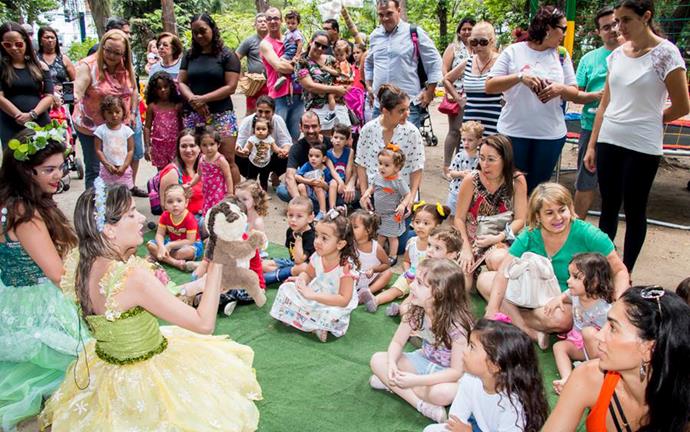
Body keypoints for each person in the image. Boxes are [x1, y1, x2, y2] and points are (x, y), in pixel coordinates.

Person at [39, 184, 262, 430]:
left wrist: (196, 286)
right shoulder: (132, 276)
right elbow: (204, 324)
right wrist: (218, 258)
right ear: (109, 230)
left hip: (107, 369)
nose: (143, 218)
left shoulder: (82, 262)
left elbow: (141, 300)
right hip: (143, 377)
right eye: (132, 214)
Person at [584, 0, 690, 272]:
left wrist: (653, 119)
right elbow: (605, 103)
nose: (620, 27)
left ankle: (626, 271)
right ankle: (604, 268)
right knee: (608, 206)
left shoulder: (667, 53)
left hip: (643, 143)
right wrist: (592, 144)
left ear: (646, 17)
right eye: (617, 21)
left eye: (626, 20)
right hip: (609, 138)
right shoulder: (617, 55)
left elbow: (681, 104)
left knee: (634, 208)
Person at [0, 126, 88, 430]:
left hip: (11, 298)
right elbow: (56, 273)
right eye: (48, 169)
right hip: (34, 306)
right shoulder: (24, 212)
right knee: (80, 362)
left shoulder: (12, 204)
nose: (58, 175)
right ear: (26, 171)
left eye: (61, 166)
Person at [482, 183, 629, 347]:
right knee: (484, 281)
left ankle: (512, 315)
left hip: (565, 297)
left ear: (570, 208)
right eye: (549, 213)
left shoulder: (588, 234)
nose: (558, 218)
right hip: (534, 289)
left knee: (561, 320)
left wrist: (618, 304)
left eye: (562, 210)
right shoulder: (531, 234)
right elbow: (504, 270)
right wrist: (492, 310)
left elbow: (620, 271)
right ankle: (529, 330)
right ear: (538, 216)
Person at [543, 286, 690, 431]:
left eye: (613, 328)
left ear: (649, 349)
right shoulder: (588, 377)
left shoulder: (683, 405)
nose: (598, 335)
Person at [485, 6, 578, 193]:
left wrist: (560, 89)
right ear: (548, 28)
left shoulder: (561, 54)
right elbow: (490, 85)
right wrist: (520, 77)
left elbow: (573, 90)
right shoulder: (513, 51)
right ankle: (512, 222)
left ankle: (532, 223)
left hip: (549, 135)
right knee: (511, 188)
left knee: (538, 191)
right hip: (513, 133)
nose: (565, 34)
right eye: (563, 28)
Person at [369, 258, 473, 423]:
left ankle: (393, 385)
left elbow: (456, 371)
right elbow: (397, 342)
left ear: (439, 293)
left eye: (419, 283)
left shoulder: (457, 326)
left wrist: (415, 380)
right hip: (423, 360)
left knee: (441, 394)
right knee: (377, 360)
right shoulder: (415, 311)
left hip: (448, 374)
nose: (411, 286)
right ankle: (421, 405)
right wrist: (393, 364)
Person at [424, 319, 549, 432]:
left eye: (472, 347)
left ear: (494, 365)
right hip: (477, 427)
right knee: (431, 430)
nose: (464, 351)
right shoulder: (469, 379)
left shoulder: (512, 406)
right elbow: (456, 420)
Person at [270, 207, 360, 342]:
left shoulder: (346, 267)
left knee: (332, 315)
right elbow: (308, 274)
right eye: (317, 235)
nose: (317, 241)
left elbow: (343, 300)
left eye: (324, 238)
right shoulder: (317, 256)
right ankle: (311, 324)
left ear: (340, 244)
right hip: (314, 293)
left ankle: (303, 320)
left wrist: (312, 295)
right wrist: (301, 280)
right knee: (285, 288)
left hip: (333, 303)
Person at [453, 134, 528, 288]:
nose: (484, 164)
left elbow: (521, 220)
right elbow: (459, 218)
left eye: (491, 159)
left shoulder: (517, 181)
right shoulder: (471, 180)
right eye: (481, 158)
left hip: (502, 237)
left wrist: (498, 238)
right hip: (472, 239)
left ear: (505, 160)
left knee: (498, 259)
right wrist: (466, 247)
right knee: (461, 274)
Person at [356, 84, 425, 251]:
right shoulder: (368, 130)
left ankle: (419, 229)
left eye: (408, 109)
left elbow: (417, 169)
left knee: (400, 247)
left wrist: (409, 201)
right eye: (401, 110)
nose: (407, 114)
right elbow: (361, 164)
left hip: (401, 196)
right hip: (376, 194)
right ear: (385, 111)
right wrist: (364, 195)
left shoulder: (412, 132)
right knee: (366, 241)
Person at [569, 7, 621, 219]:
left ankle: (607, 237)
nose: (613, 30)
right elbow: (576, 95)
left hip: (620, 130)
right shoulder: (589, 59)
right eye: (607, 27)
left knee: (615, 186)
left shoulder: (634, 54)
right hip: (591, 127)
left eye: (616, 24)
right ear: (598, 32)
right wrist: (596, 95)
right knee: (586, 181)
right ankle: (573, 230)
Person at [179, 13, 241, 190]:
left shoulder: (227, 55)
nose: (199, 36)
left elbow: (231, 87)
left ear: (212, 29)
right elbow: (181, 81)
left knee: (227, 159)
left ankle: (235, 198)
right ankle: (200, 197)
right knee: (195, 159)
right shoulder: (190, 55)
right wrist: (193, 99)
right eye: (195, 32)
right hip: (193, 113)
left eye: (203, 31)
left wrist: (203, 99)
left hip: (222, 114)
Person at [73, 29, 137, 189]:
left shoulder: (126, 66)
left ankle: (116, 207)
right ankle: (93, 208)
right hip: (91, 126)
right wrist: (74, 96)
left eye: (117, 53)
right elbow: (78, 89)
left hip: (117, 126)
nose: (111, 55)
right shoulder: (88, 65)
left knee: (119, 165)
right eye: (107, 50)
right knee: (95, 169)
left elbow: (134, 89)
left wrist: (133, 112)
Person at [365, 0, 442, 129]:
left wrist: (430, 91)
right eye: (381, 14)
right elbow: (369, 63)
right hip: (380, 106)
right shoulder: (374, 36)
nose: (385, 18)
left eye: (389, 13)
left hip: (407, 105)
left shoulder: (414, 33)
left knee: (406, 147)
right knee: (378, 147)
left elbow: (434, 61)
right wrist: (369, 87)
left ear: (399, 11)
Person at [546, 252, 615, 394]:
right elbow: (566, 294)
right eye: (570, 275)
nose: (569, 281)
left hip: (596, 348)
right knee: (559, 347)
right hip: (578, 344)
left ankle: (597, 373)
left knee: (588, 332)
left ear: (594, 281)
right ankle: (567, 378)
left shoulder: (604, 309)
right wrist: (558, 298)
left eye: (576, 277)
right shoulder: (576, 294)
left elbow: (612, 333)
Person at [372, 202, 452, 314]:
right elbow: (406, 261)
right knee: (395, 290)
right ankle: (375, 300)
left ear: (437, 226)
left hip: (429, 281)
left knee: (416, 298)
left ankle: (400, 309)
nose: (420, 226)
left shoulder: (437, 249)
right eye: (417, 222)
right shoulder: (412, 242)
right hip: (412, 275)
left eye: (426, 223)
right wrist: (408, 272)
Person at [444, 21, 502, 139]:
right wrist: (459, 99)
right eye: (474, 42)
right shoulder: (470, 61)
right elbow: (446, 79)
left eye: (483, 42)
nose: (478, 46)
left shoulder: (500, 61)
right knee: (468, 155)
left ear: (491, 41)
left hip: (494, 122)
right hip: (470, 124)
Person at [0, 22, 54, 149]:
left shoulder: (40, 66)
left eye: (18, 44)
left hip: (38, 119)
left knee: (44, 160)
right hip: (10, 123)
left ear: (26, 42)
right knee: (15, 162)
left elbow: (49, 95)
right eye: (8, 45)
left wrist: (32, 114)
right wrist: (18, 115)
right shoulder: (2, 68)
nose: (14, 48)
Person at [260, 7, 305, 141]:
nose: (272, 21)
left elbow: (303, 57)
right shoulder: (265, 44)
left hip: (297, 94)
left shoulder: (290, 38)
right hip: (279, 96)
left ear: (281, 21)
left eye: (276, 18)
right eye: (269, 19)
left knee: (294, 136)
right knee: (277, 137)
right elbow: (279, 66)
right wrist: (297, 67)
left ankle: (291, 162)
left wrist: (297, 64)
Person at [361, 144, 411, 263]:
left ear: (397, 168)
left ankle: (393, 256)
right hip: (379, 214)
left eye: (386, 165)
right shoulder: (378, 177)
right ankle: (378, 252)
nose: (381, 168)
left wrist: (403, 205)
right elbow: (372, 187)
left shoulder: (398, 182)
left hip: (392, 215)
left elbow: (408, 195)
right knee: (380, 235)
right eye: (380, 163)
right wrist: (367, 193)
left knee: (392, 237)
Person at [295, 32, 350, 135]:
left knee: (344, 141)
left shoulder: (331, 59)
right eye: (317, 44)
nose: (320, 48)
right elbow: (310, 86)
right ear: (311, 42)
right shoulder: (302, 62)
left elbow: (344, 71)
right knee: (323, 142)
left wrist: (345, 84)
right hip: (318, 109)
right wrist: (335, 90)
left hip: (339, 105)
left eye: (324, 47)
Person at [276, 111, 334, 202]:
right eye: (306, 127)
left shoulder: (331, 143)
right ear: (300, 128)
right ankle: (308, 204)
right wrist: (299, 201)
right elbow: (290, 176)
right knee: (281, 190)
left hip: (328, 188)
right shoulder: (296, 148)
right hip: (306, 189)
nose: (311, 131)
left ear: (320, 127)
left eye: (314, 126)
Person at [440, 17, 474, 175]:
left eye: (470, 28)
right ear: (459, 32)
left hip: (474, 96)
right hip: (457, 95)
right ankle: (447, 166)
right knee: (454, 131)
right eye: (464, 29)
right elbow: (445, 71)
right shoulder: (453, 48)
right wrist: (451, 93)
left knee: (468, 133)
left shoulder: (479, 48)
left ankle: (460, 164)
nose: (467, 32)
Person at [236, 95, 291, 190]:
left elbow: (286, 141)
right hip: (251, 157)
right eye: (260, 111)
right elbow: (239, 140)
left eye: (267, 112)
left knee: (290, 155)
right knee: (234, 155)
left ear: (273, 112)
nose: (263, 115)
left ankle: (275, 175)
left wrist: (285, 150)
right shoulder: (248, 120)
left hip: (270, 156)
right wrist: (239, 150)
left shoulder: (277, 120)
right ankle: (249, 179)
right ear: (256, 110)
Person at [146, 183, 202, 271]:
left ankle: (158, 256)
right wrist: (161, 246)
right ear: (165, 204)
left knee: (187, 252)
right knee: (150, 244)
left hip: (190, 245)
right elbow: (159, 234)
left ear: (186, 202)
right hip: (172, 243)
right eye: (170, 202)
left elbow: (190, 240)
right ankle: (175, 263)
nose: (175, 205)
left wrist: (170, 245)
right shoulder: (165, 215)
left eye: (179, 201)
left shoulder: (189, 218)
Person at [263, 196, 316, 285]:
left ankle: (283, 275)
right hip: (292, 263)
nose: (293, 220)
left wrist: (299, 238)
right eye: (291, 215)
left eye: (299, 216)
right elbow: (292, 257)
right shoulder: (290, 230)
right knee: (263, 265)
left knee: (303, 268)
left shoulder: (312, 236)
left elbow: (299, 261)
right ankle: (286, 274)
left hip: (306, 267)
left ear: (310, 218)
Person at [350, 209, 393, 308]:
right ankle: (353, 293)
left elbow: (386, 264)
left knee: (388, 273)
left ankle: (366, 293)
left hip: (369, 280)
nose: (351, 230)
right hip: (351, 279)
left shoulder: (376, 247)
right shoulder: (350, 244)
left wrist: (374, 269)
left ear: (368, 230)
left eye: (355, 227)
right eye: (350, 227)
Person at [158, 129, 204, 219]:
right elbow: (165, 207)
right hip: (185, 221)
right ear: (178, 149)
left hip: (205, 214)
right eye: (183, 146)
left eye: (192, 145)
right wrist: (182, 196)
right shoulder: (172, 172)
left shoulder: (204, 166)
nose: (188, 150)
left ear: (199, 148)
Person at [189, 125, 232, 216]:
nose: (209, 148)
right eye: (204, 145)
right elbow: (199, 174)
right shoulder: (201, 158)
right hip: (207, 192)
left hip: (219, 192)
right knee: (208, 212)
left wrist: (230, 193)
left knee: (218, 213)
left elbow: (228, 176)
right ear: (199, 146)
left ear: (218, 144)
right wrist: (190, 184)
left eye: (212, 144)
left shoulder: (220, 160)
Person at [144, 71, 183, 170]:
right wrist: (147, 147)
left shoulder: (177, 106)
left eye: (166, 86)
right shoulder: (152, 107)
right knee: (162, 174)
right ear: (153, 90)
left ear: (171, 87)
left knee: (178, 172)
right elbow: (147, 127)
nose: (163, 90)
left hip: (175, 145)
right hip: (159, 147)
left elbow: (183, 126)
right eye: (158, 88)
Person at [94, 96, 135, 188]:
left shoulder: (127, 131)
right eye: (110, 112)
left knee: (124, 194)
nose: (114, 115)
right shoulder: (100, 130)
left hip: (124, 169)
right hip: (107, 170)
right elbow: (98, 150)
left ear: (123, 112)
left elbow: (131, 150)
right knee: (108, 194)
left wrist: (124, 166)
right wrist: (107, 164)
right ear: (104, 114)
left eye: (117, 112)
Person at [236, 14, 269, 114]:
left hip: (271, 82)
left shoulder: (274, 40)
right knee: (251, 112)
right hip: (255, 84)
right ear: (255, 25)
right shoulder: (249, 41)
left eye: (265, 21)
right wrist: (242, 79)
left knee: (269, 111)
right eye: (259, 21)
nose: (263, 23)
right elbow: (235, 58)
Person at [446, 121, 481, 214]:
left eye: (470, 140)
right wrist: (460, 173)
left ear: (479, 141)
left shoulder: (480, 158)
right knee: (451, 215)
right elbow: (451, 173)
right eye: (464, 139)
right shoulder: (459, 156)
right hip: (455, 192)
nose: (466, 143)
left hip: (472, 195)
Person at [242, 116, 281, 191]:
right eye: (258, 129)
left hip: (266, 163)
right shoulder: (252, 139)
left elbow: (275, 149)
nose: (260, 131)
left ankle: (263, 193)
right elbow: (247, 147)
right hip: (253, 163)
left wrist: (281, 151)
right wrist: (245, 150)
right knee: (251, 179)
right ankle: (250, 192)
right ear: (254, 130)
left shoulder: (270, 140)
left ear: (268, 131)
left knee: (264, 179)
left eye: (263, 129)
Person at [295, 143, 332, 220]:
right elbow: (297, 176)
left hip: (320, 194)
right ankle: (306, 209)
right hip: (309, 192)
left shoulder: (325, 169)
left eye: (317, 156)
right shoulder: (307, 165)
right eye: (311, 156)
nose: (313, 158)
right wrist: (308, 181)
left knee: (317, 186)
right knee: (301, 186)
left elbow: (329, 187)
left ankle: (322, 211)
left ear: (324, 158)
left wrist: (323, 184)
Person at [326, 123, 356, 208]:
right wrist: (341, 183)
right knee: (333, 183)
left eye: (342, 138)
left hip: (344, 181)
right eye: (336, 137)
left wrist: (346, 185)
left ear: (346, 141)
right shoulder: (328, 153)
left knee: (349, 192)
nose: (338, 140)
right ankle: (332, 208)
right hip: (334, 181)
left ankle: (343, 205)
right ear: (331, 138)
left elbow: (348, 168)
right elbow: (332, 171)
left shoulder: (349, 151)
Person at [274, 10, 304, 91]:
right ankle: (285, 77)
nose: (290, 25)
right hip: (288, 53)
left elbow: (300, 43)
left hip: (291, 53)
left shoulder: (296, 33)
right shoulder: (288, 32)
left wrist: (297, 55)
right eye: (288, 23)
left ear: (298, 23)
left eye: (293, 23)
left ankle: (280, 77)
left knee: (279, 61)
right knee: (282, 62)